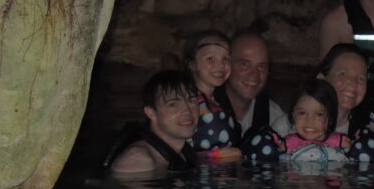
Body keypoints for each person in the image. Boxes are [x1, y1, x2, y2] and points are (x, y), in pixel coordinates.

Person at [215, 31, 291, 161]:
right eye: (244, 64)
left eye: (261, 66)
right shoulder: (201, 112)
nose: (254, 75)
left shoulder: (275, 119)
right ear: (226, 65)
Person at [105, 71, 198, 175]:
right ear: (151, 113)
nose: (187, 110)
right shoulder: (137, 161)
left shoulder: (183, 153)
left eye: (191, 101)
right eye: (173, 104)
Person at [316, 43, 374, 163]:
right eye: (343, 74)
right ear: (322, 79)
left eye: (361, 78)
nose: (353, 83)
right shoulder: (287, 128)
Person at [183, 29, 240, 160]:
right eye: (210, 59)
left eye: (226, 58)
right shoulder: (189, 103)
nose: (220, 65)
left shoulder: (218, 101)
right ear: (192, 65)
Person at [283, 78, 350, 166]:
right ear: (293, 115)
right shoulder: (287, 143)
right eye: (302, 113)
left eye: (319, 115)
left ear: (330, 119)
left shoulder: (340, 142)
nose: (310, 121)